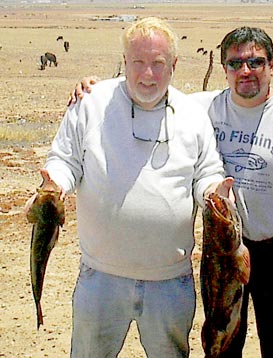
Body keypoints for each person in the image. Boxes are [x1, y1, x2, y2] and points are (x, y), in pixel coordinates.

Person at [69, 26, 273, 357]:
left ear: (272, 65)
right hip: (222, 250)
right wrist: (93, 89)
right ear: (224, 69)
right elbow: (149, 89)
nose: (245, 71)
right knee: (221, 338)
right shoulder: (203, 108)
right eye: (235, 63)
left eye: (256, 62)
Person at [26, 17, 234, 358]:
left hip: (170, 282)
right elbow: (65, 160)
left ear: (174, 65)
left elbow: (207, 171)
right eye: (138, 63)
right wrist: (55, 183)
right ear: (125, 62)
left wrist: (215, 192)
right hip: (100, 279)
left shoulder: (193, 115)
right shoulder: (92, 103)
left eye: (158, 64)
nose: (147, 75)